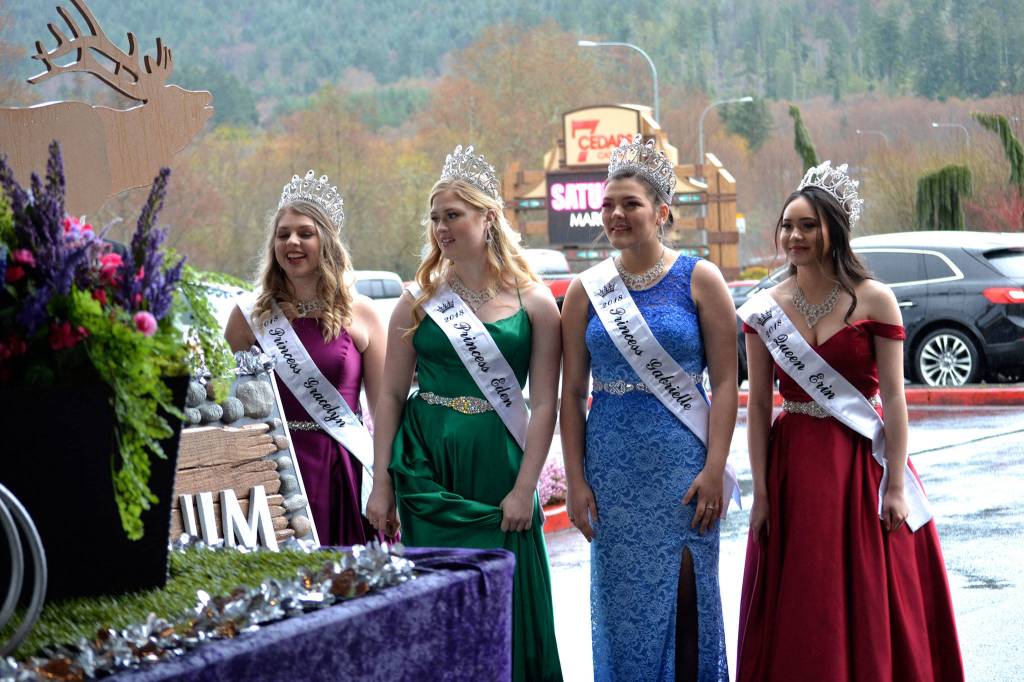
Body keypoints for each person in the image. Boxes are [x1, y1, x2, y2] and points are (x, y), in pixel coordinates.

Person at [736, 161, 964, 681]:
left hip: (861, 462)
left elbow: (896, 399)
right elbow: (758, 409)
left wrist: (896, 484)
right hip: (794, 462)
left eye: (808, 225)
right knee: (804, 590)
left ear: (834, 230)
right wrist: (764, 493)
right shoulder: (763, 310)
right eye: (788, 225)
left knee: (869, 587)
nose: (795, 236)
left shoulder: (874, 299)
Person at [366, 145, 563, 682]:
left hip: (498, 463)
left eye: (452, 215)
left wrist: (527, 488)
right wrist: (381, 482)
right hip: (426, 462)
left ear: (488, 217)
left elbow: (544, 403)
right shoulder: (417, 301)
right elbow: (388, 396)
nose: (441, 229)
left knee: (506, 595)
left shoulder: (537, 304)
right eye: (435, 219)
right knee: (437, 599)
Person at [560, 135, 738, 681]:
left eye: (630, 204)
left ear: (662, 211)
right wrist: (575, 479)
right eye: (608, 204)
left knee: (687, 602)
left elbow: (728, 381)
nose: (616, 214)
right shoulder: (586, 292)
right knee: (621, 613)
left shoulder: (700, 278)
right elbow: (571, 392)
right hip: (611, 469)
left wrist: (714, 470)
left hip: (682, 469)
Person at [225, 170, 385, 546]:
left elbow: (385, 410)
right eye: (283, 234)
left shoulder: (362, 314)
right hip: (275, 467)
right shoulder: (248, 318)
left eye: (305, 233)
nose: (292, 242)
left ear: (326, 242)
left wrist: (387, 485)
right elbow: (239, 408)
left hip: (342, 466)